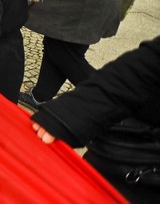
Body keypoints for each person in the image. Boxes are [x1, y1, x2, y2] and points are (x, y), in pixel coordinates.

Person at [30, 35, 160, 203]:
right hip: (133, 169)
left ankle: (40, 95)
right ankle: (40, 94)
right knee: (57, 47)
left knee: (60, 49)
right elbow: (146, 69)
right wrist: (70, 114)